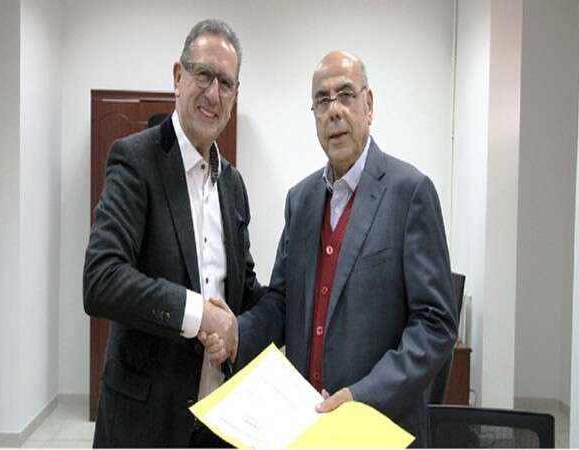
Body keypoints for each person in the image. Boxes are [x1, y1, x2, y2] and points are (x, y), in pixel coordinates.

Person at [203, 51, 457, 447]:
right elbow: (282, 302)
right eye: (322, 100)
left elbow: (435, 324)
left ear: (368, 105)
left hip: (379, 431)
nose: (334, 110)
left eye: (346, 95)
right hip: (308, 428)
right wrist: (237, 331)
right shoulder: (301, 200)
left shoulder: (410, 193)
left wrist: (363, 395)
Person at [83, 19, 264, 448]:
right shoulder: (135, 160)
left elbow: (245, 289)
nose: (213, 94)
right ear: (178, 77)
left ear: (235, 95)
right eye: (203, 75)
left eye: (226, 83)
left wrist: (246, 327)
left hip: (219, 422)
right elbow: (102, 279)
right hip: (144, 425)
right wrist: (200, 314)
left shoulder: (233, 184)